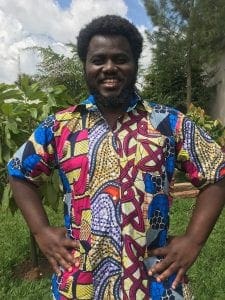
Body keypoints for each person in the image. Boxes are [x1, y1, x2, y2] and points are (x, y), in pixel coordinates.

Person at [7, 15, 225, 300]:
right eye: (98, 60)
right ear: (86, 65)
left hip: (152, 282)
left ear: (134, 64)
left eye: (120, 59)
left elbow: (217, 170)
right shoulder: (59, 126)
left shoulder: (168, 123)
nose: (109, 68)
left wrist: (193, 241)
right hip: (82, 283)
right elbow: (19, 171)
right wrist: (41, 232)